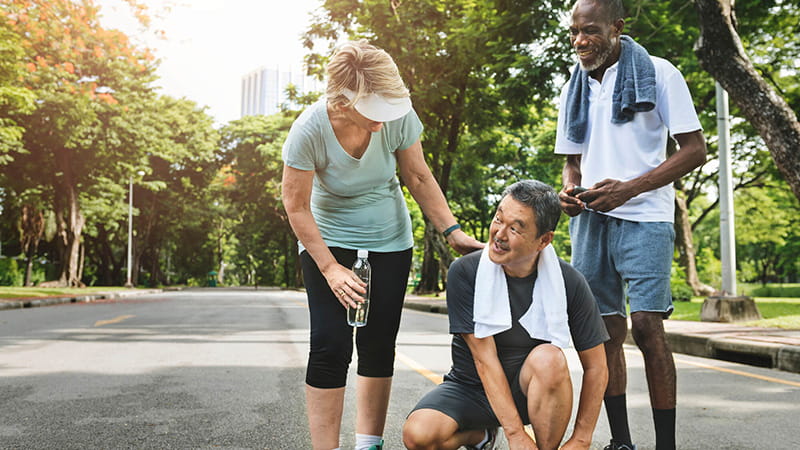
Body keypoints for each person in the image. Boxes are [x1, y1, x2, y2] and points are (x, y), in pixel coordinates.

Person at [281, 40, 484, 450]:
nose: (381, 124)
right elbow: (296, 205)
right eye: (373, 114)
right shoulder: (309, 130)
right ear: (341, 100)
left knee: (377, 342)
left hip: (389, 239)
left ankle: (368, 444)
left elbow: (419, 176)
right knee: (330, 345)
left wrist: (453, 232)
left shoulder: (396, 114)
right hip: (328, 240)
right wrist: (330, 269)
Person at [554, 1, 707, 449]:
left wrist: (631, 188)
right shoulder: (575, 86)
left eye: (591, 31)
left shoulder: (659, 73)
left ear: (618, 27)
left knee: (645, 325)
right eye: (574, 32)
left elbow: (695, 149)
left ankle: (666, 446)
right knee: (604, 334)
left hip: (645, 215)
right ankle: (620, 442)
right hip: (591, 221)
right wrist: (570, 189)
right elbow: (572, 158)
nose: (580, 41)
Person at [403, 180, 609, 450]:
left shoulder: (569, 281)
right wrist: (515, 434)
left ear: (544, 240)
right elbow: (484, 360)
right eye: (498, 219)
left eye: (515, 228)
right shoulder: (465, 272)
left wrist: (581, 439)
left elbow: (597, 367)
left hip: (530, 394)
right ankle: (481, 436)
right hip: (472, 388)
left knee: (550, 359)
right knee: (418, 435)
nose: (499, 234)